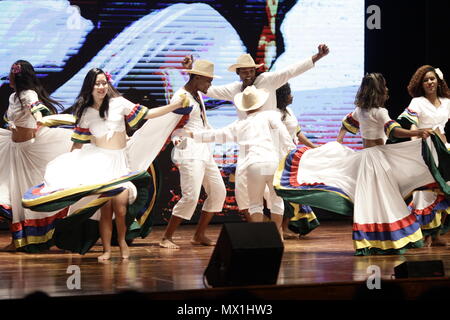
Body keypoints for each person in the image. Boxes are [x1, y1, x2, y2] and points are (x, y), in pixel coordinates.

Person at [274, 73, 450, 255]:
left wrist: (338, 143)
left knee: (369, 201)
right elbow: (394, 131)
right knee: (385, 200)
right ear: (379, 91)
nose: (387, 89)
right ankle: (388, 240)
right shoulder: (380, 112)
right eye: (384, 86)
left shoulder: (361, 110)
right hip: (379, 160)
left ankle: (370, 240)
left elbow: (346, 124)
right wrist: (418, 132)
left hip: (365, 158)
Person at [24, 68, 186, 260]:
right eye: (97, 83)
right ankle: (107, 250)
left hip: (120, 163)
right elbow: (78, 143)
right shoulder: (85, 113)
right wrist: (69, 168)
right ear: (89, 86)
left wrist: (173, 106)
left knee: (121, 206)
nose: (101, 87)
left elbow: (147, 113)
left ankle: (123, 243)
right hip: (99, 164)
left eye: (103, 83)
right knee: (105, 209)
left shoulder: (118, 103)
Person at [182, 44, 329, 215]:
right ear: (238, 73)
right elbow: (209, 89)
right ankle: (258, 230)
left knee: (275, 193)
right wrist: (192, 71)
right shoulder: (235, 89)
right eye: (244, 72)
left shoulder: (267, 80)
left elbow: (291, 71)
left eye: (251, 71)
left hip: (272, 143)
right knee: (244, 190)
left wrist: (317, 56)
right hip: (247, 142)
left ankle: (277, 231)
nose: (249, 75)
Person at [181, 86, 295, 237]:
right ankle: (277, 235)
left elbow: (216, 135)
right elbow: (285, 137)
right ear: (260, 104)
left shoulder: (240, 124)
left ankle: (260, 236)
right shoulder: (271, 116)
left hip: (253, 164)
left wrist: (192, 134)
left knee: (255, 204)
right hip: (271, 162)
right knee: (276, 201)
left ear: (245, 107)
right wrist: (292, 154)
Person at [0, 60, 74, 252]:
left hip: (28, 152)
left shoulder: (28, 94)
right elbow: (12, 119)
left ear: (17, 76)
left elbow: (37, 109)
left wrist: (41, 120)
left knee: (28, 197)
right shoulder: (13, 97)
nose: (9, 76)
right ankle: (17, 240)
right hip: (14, 149)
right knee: (13, 197)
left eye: (11, 73)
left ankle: (43, 238)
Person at [159, 60, 227, 249]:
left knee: (218, 191)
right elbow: (171, 124)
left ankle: (199, 234)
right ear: (197, 78)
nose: (209, 86)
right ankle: (166, 237)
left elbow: (201, 123)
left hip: (203, 150)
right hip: (189, 151)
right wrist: (178, 143)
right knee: (190, 196)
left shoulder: (196, 94)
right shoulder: (181, 97)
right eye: (208, 81)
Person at [396, 65, 450, 247]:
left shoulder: (447, 102)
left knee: (445, 189)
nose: (429, 82)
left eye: (432, 79)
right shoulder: (417, 102)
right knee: (426, 191)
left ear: (438, 81)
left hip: (444, 149)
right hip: (426, 149)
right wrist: (414, 142)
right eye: (426, 80)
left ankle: (436, 235)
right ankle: (424, 233)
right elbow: (412, 126)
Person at [275, 82, 319, 239]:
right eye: (289, 93)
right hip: (281, 157)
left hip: (292, 157)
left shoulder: (289, 111)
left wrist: (314, 147)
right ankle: (282, 227)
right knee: (285, 194)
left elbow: (298, 133)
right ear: (283, 96)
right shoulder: (275, 114)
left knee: (291, 194)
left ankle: (286, 226)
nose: (291, 96)